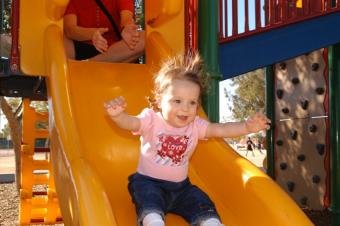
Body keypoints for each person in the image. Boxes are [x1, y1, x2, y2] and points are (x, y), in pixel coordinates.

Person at [104, 54, 271, 226]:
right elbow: (132, 123)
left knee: (200, 200)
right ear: (160, 101)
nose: (185, 108)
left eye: (192, 103)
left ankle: (210, 222)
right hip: (149, 182)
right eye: (177, 101)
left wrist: (246, 127)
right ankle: (153, 220)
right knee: (148, 197)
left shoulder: (195, 126)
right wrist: (119, 116)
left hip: (181, 187)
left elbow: (220, 129)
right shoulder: (151, 119)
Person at [63, 0, 145, 62]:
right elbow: (70, 29)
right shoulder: (73, 2)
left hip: (114, 50)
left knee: (144, 38)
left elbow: (126, 15)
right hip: (84, 45)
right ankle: (69, 69)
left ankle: (89, 63)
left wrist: (126, 27)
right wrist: (92, 34)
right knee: (60, 35)